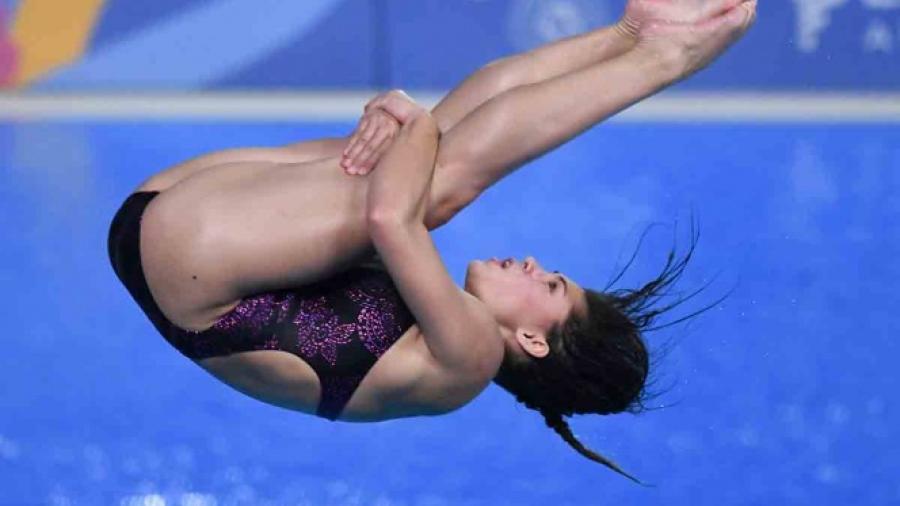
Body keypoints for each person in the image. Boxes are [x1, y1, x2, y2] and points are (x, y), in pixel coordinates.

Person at [107, 0, 756, 485]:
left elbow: (394, 218)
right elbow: (469, 113)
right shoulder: (447, 347)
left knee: (431, 184)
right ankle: (637, 37)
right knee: (428, 152)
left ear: (533, 341)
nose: (534, 265)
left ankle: (664, 60)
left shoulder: (470, 357)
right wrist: (621, 32)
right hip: (169, 237)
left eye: (551, 284)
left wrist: (408, 117)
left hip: (186, 249)